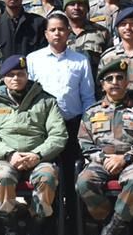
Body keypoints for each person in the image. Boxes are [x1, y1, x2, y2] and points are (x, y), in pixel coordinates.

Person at [0, 55, 67, 235]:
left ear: (27, 75)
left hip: (39, 157)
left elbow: (59, 135)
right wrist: (9, 154)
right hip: (5, 159)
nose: (16, 79)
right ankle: (11, 230)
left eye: (21, 74)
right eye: (11, 75)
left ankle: (36, 230)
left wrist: (38, 155)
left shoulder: (46, 101)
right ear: (3, 78)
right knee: (3, 177)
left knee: (48, 176)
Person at [76, 57, 133, 235]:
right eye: (110, 79)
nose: (115, 82)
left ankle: (111, 230)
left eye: (120, 78)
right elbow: (85, 144)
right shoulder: (92, 112)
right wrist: (104, 159)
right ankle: (118, 230)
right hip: (102, 161)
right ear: (103, 85)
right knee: (84, 182)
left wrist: (126, 158)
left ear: (126, 82)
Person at [26, 12, 95, 145]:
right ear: (46, 34)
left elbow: (88, 97)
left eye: (61, 29)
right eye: (52, 30)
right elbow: (28, 94)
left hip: (73, 123)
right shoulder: (33, 59)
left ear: (69, 32)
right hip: (42, 124)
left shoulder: (80, 60)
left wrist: (86, 123)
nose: (57, 33)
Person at [63, 0, 109, 84]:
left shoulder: (101, 32)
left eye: (81, 4)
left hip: (94, 88)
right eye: (72, 4)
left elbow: (109, 62)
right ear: (64, 9)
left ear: (87, 8)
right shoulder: (59, 32)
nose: (76, 8)